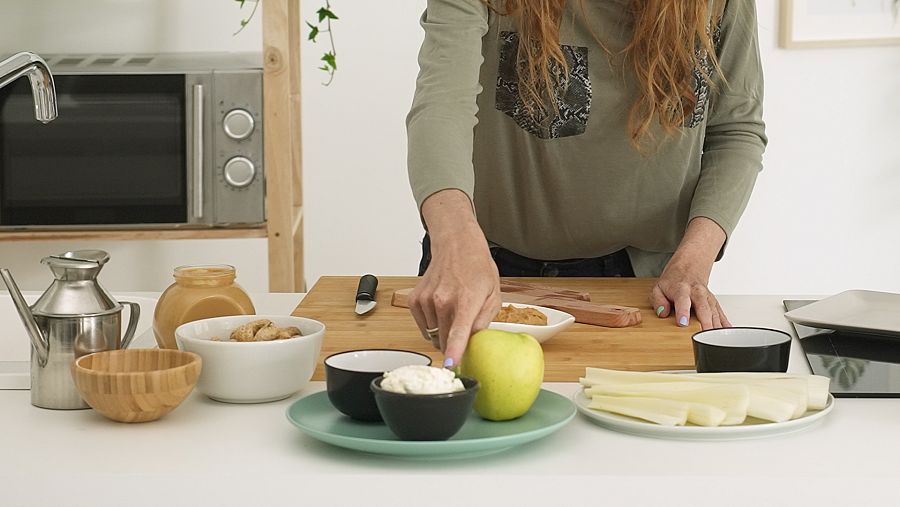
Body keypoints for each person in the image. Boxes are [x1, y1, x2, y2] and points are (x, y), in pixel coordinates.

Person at [405, 0, 767, 368]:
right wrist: (453, 238)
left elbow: (736, 131)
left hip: (645, 286)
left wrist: (694, 260)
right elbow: (441, 106)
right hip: (484, 270)